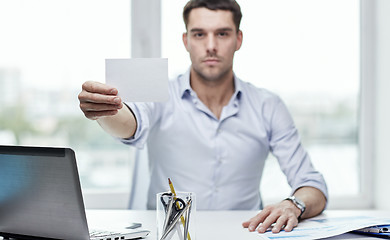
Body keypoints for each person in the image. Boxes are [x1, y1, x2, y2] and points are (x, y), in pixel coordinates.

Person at [78, 0, 328, 234]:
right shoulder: (161, 94)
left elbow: (313, 186)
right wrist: (105, 109)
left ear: (238, 39)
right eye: (199, 34)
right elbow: (128, 123)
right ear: (186, 41)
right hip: (170, 235)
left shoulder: (268, 106)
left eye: (222, 33)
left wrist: (294, 204)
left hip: (244, 234)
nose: (211, 45)